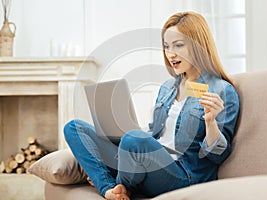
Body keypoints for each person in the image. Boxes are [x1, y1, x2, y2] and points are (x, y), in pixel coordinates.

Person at [64, 11, 240, 200]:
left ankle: (119, 184)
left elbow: (217, 156)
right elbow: (155, 135)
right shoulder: (167, 88)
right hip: (148, 164)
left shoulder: (222, 90)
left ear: (198, 46)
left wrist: (211, 122)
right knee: (74, 128)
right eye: (166, 46)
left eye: (178, 45)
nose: (170, 54)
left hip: (183, 175)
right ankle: (110, 189)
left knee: (134, 140)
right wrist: (121, 136)